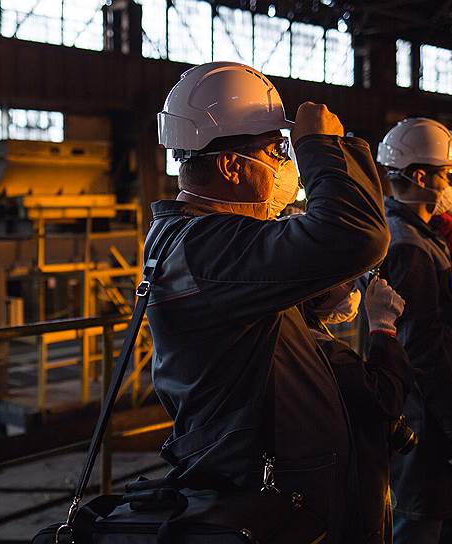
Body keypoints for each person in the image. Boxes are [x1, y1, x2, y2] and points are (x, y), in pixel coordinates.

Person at [144, 61, 390, 543]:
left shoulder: (207, 240)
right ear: (232, 166)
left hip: (284, 497)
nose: (284, 163)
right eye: (276, 150)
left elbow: (240, 325)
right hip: (268, 506)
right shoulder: (206, 246)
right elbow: (358, 235)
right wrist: (321, 147)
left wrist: (311, 301)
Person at [375, 118, 452, 543]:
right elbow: (421, 348)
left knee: (431, 516)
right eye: (451, 175)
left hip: (433, 411)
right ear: (420, 176)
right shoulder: (407, 243)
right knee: (418, 521)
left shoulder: (424, 235)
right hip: (423, 416)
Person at [301, 275, 414, 544]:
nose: (353, 286)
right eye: (344, 278)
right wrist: (383, 325)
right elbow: (383, 399)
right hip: (346, 499)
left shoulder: (302, 332)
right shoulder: (319, 348)